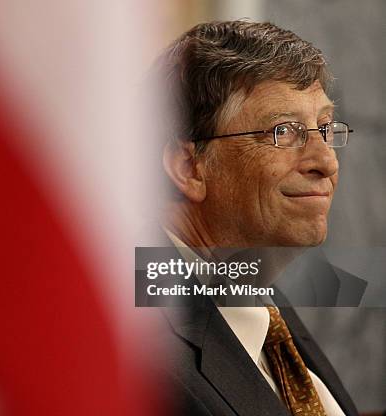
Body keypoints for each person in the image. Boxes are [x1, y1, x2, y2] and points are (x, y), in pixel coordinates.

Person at [153, 21, 358, 415]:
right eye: (284, 131)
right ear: (188, 167)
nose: (327, 162)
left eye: (324, 128)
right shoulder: (141, 359)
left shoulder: (257, 299)